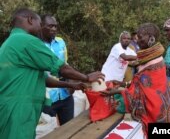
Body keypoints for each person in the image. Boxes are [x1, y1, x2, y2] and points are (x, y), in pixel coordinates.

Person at [0, 8, 104, 139]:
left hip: (10, 109)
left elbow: (44, 79)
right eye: (40, 23)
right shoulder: (25, 40)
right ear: (30, 20)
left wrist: (73, 85)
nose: (40, 28)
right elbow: (62, 68)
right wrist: (87, 77)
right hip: (18, 111)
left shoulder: (11, 42)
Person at [102, 23, 170, 137]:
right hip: (160, 107)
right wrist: (124, 84)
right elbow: (142, 84)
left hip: (154, 111)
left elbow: (141, 93)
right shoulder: (152, 57)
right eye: (137, 37)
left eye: (140, 37)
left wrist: (117, 91)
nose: (137, 40)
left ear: (151, 39)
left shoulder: (153, 62)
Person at [40, 14, 74, 125]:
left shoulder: (61, 42)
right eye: (50, 26)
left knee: (68, 129)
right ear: (41, 26)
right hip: (47, 98)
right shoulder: (36, 45)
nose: (54, 29)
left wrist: (71, 81)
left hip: (65, 95)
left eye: (55, 26)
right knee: (49, 133)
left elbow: (65, 64)